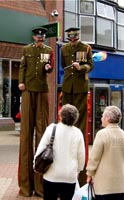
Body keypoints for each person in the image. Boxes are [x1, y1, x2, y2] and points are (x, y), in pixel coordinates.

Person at [18, 26, 54, 197]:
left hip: (42, 90)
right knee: (26, 134)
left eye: (43, 36)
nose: (41, 38)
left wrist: (48, 68)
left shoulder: (49, 50)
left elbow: (50, 68)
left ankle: (40, 186)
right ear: (34, 37)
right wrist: (21, 82)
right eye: (38, 36)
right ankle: (25, 186)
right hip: (28, 90)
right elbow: (22, 67)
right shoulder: (26, 49)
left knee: (42, 133)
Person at [61, 27, 93, 185]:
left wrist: (82, 68)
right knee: (66, 116)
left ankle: (78, 140)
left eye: (74, 36)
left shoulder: (86, 48)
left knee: (79, 118)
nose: (72, 38)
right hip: (67, 86)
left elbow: (90, 65)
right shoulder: (64, 48)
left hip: (80, 86)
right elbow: (63, 65)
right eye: (70, 36)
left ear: (78, 36)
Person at [34, 104, 85, 200]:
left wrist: (36, 165)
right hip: (69, 176)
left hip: (51, 175)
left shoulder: (51, 129)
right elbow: (81, 156)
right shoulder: (78, 133)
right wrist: (78, 170)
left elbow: (40, 149)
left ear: (60, 115)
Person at [86, 106, 124, 200]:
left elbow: (94, 158)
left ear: (108, 118)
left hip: (104, 185)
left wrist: (89, 173)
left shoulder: (102, 134)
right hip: (121, 185)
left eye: (103, 116)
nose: (101, 118)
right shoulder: (123, 134)